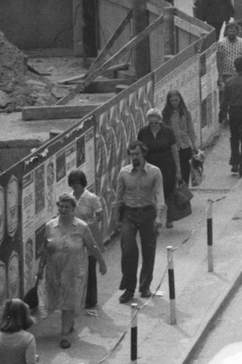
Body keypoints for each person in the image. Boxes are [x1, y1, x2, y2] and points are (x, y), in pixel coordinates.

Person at [37, 193, 107, 348]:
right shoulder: (50, 226)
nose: (63, 209)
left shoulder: (81, 227)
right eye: (60, 206)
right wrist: (40, 267)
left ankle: (64, 335)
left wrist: (102, 263)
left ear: (74, 209)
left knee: (68, 301)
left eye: (66, 207)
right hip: (54, 269)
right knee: (57, 300)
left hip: (74, 271)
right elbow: (45, 248)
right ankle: (69, 322)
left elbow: (92, 246)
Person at [113, 141, 165, 303]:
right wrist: (116, 220)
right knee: (128, 250)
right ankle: (129, 288)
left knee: (149, 251)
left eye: (137, 154)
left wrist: (159, 217)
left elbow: (159, 196)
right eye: (131, 154)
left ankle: (145, 286)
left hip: (148, 212)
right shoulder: (124, 173)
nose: (134, 157)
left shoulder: (154, 172)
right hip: (129, 213)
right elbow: (118, 199)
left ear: (143, 155)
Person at [68, 169, 108, 314]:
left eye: (77, 184)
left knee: (90, 266)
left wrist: (90, 223)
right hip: (74, 235)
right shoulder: (68, 197)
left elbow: (100, 216)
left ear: (82, 183)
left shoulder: (91, 198)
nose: (75, 187)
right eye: (72, 184)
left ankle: (91, 299)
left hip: (89, 234)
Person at [137, 107, 181, 219]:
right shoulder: (143, 132)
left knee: (167, 192)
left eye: (156, 123)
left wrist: (178, 170)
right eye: (151, 123)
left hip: (167, 166)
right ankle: (155, 217)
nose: (153, 125)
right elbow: (139, 151)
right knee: (152, 192)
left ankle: (170, 217)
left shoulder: (168, 132)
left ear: (160, 121)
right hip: (150, 167)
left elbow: (175, 151)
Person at [164, 88, 198, 187]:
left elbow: (191, 130)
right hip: (172, 147)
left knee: (185, 172)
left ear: (180, 100)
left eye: (176, 100)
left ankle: (184, 194)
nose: (174, 103)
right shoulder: (166, 114)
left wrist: (194, 144)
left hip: (185, 146)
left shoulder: (185, 113)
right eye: (172, 101)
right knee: (173, 172)